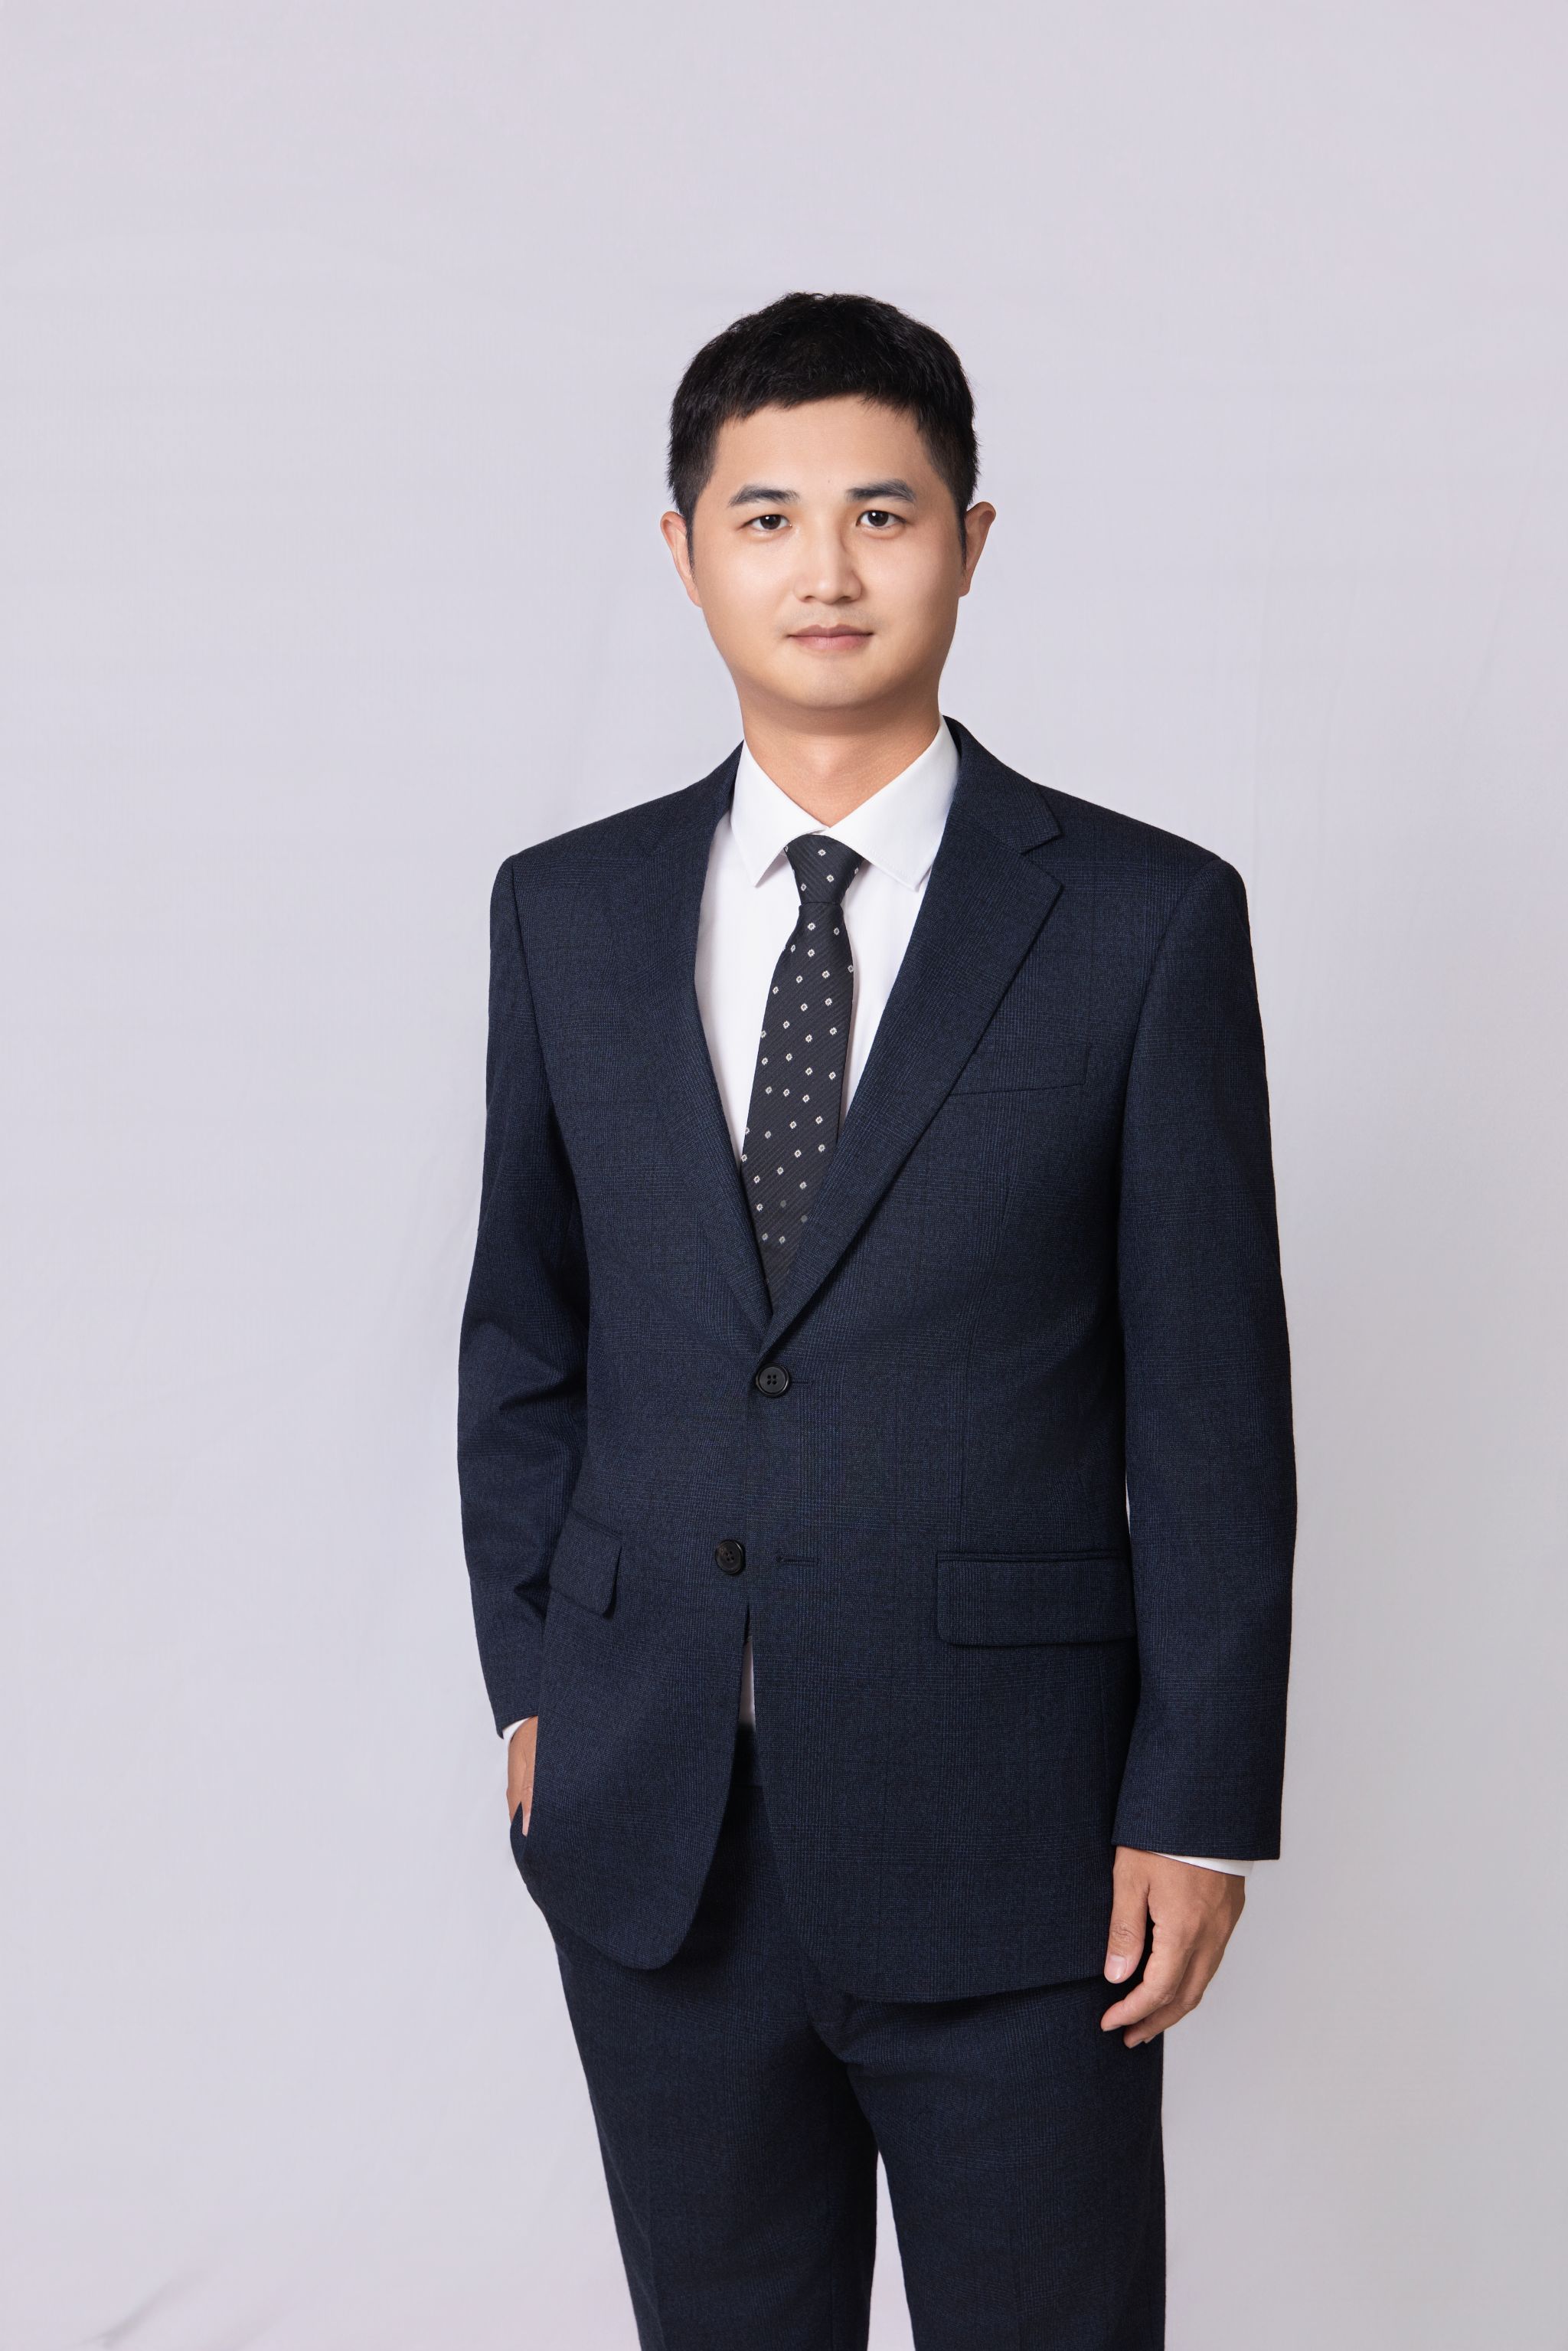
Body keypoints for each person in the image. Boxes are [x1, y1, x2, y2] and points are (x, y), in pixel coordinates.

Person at [456, 289, 1295, 2350]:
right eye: (766, 518)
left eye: (881, 514)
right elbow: (524, 1342)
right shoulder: (565, 911)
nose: (824, 569)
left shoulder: (1143, 921)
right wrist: (539, 1692)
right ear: (685, 555)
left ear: (970, 543)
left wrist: (1196, 1799)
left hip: (1020, 1840)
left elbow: (1210, 1407)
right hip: (657, 1834)